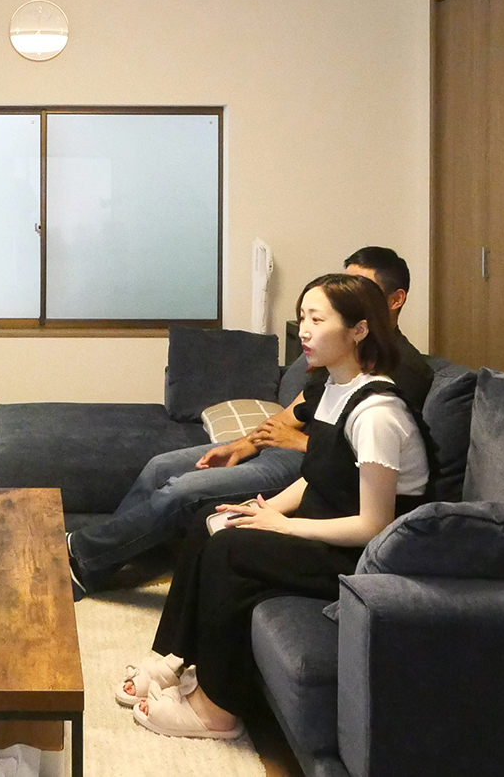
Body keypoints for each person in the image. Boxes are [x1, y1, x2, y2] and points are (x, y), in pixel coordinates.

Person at [126, 272, 430, 739]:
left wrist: (282, 527)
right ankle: (172, 659)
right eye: (302, 317)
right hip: (328, 530)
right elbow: (318, 477)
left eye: (317, 320)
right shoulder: (333, 390)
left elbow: (374, 525)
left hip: (364, 558)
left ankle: (216, 711)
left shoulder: (377, 414)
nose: (303, 331)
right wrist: (261, 508)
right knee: (212, 521)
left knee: (230, 552)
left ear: (359, 330)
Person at [67, 246, 435, 597]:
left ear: (393, 301)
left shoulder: (400, 373)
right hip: (288, 450)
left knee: (183, 491)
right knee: (160, 466)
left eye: (361, 288)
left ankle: (83, 557)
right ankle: (102, 558)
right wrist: (243, 445)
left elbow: (362, 459)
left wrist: (298, 444)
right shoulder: (335, 363)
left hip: (305, 463)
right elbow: (299, 409)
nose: (345, 294)